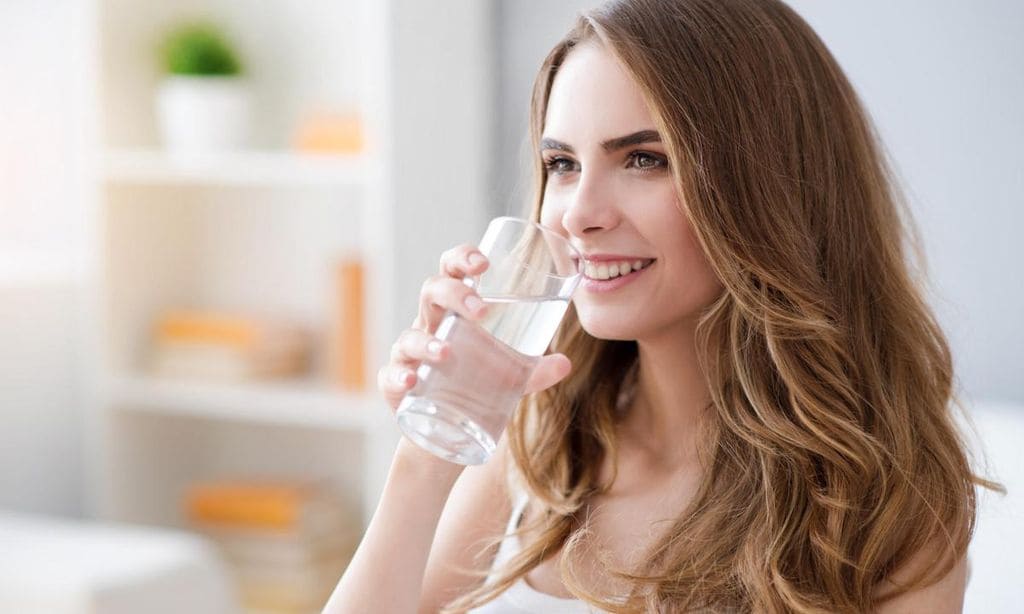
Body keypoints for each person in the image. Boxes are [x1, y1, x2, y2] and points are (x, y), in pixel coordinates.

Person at [324, 0, 1000, 611]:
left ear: (768, 189)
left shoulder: (888, 511)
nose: (579, 215)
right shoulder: (534, 446)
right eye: (563, 165)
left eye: (645, 159)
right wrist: (427, 453)